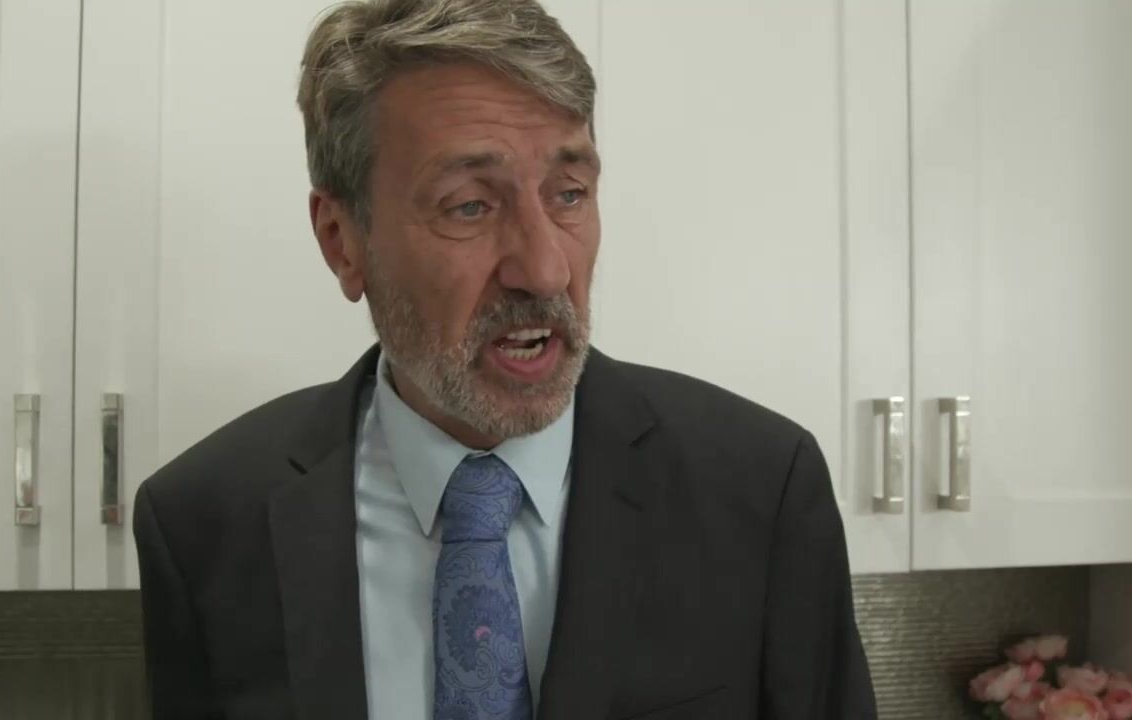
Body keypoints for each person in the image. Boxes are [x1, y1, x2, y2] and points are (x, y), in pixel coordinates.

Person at [132, 0, 878, 717]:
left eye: (569, 193)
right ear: (342, 240)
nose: (546, 270)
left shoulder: (761, 492)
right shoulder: (204, 524)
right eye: (469, 205)